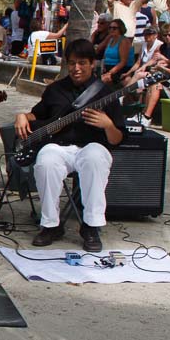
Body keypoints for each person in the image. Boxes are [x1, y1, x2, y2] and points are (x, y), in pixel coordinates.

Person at [14, 39, 125, 252]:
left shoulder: (106, 93)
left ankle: (91, 226)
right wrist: (21, 116)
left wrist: (108, 124)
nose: (76, 68)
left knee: (94, 159)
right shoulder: (55, 89)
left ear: (92, 64)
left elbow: (117, 139)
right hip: (60, 146)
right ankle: (50, 225)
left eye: (82, 63)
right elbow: (37, 114)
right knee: (45, 161)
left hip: (92, 146)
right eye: (72, 63)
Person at [97, 18, 133, 85]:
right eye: (110, 28)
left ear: (120, 29)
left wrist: (109, 73)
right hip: (108, 68)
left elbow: (123, 62)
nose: (111, 30)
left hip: (119, 70)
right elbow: (102, 53)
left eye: (114, 28)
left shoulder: (123, 41)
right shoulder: (111, 40)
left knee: (99, 82)